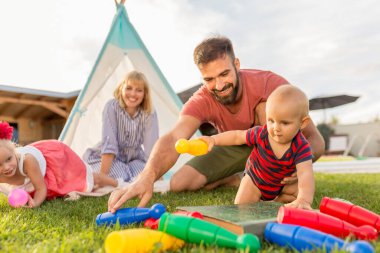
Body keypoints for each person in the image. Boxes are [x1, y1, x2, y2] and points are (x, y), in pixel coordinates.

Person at [108, 35, 324, 212]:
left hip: (271, 147)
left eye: (224, 74)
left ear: (236, 65)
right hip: (236, 143)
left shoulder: (270, 85)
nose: (219, 85)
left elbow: (315, 139)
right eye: (209, 79)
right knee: (180, 183)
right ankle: (235, 178)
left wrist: (299, 165)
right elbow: (175, 137)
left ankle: (264, 176)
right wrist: (147, 177)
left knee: (264, 107)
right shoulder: (202, 99)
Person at [200, 85, 314, 209]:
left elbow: (305, 174)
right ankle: (256, 199)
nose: (276, 128)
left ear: (302, 123)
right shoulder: (262, 134)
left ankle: (275, 202)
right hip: (255, 180)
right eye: (271, 120)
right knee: (241, 208)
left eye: (285, 123)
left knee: (297, 191)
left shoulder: (301, 146)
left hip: (280, 187)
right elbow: (237, 136)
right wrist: (213, 139)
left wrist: (304, 199)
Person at [0, 121, 120, 208]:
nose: (6, 167)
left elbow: (41, 188)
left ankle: (117, 183)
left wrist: (35, 203)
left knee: (86, 177)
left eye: (9, 159)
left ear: (14, 151)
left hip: (56, 159)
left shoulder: (27, 161)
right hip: (36, 174)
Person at [83, 70, 159, 182]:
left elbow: (152, 147)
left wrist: (158, 176)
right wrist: (103, 176)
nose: (133, 94)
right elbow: (109, 143)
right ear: (121, 89)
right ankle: (115, 180)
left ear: (145, 94)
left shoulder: (149, 112)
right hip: (108, 158)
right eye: (129, 88)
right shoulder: (112, 107)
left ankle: (121, 180)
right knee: (121, 176)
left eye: (139, 90)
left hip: (134, 159)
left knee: (144, 176)